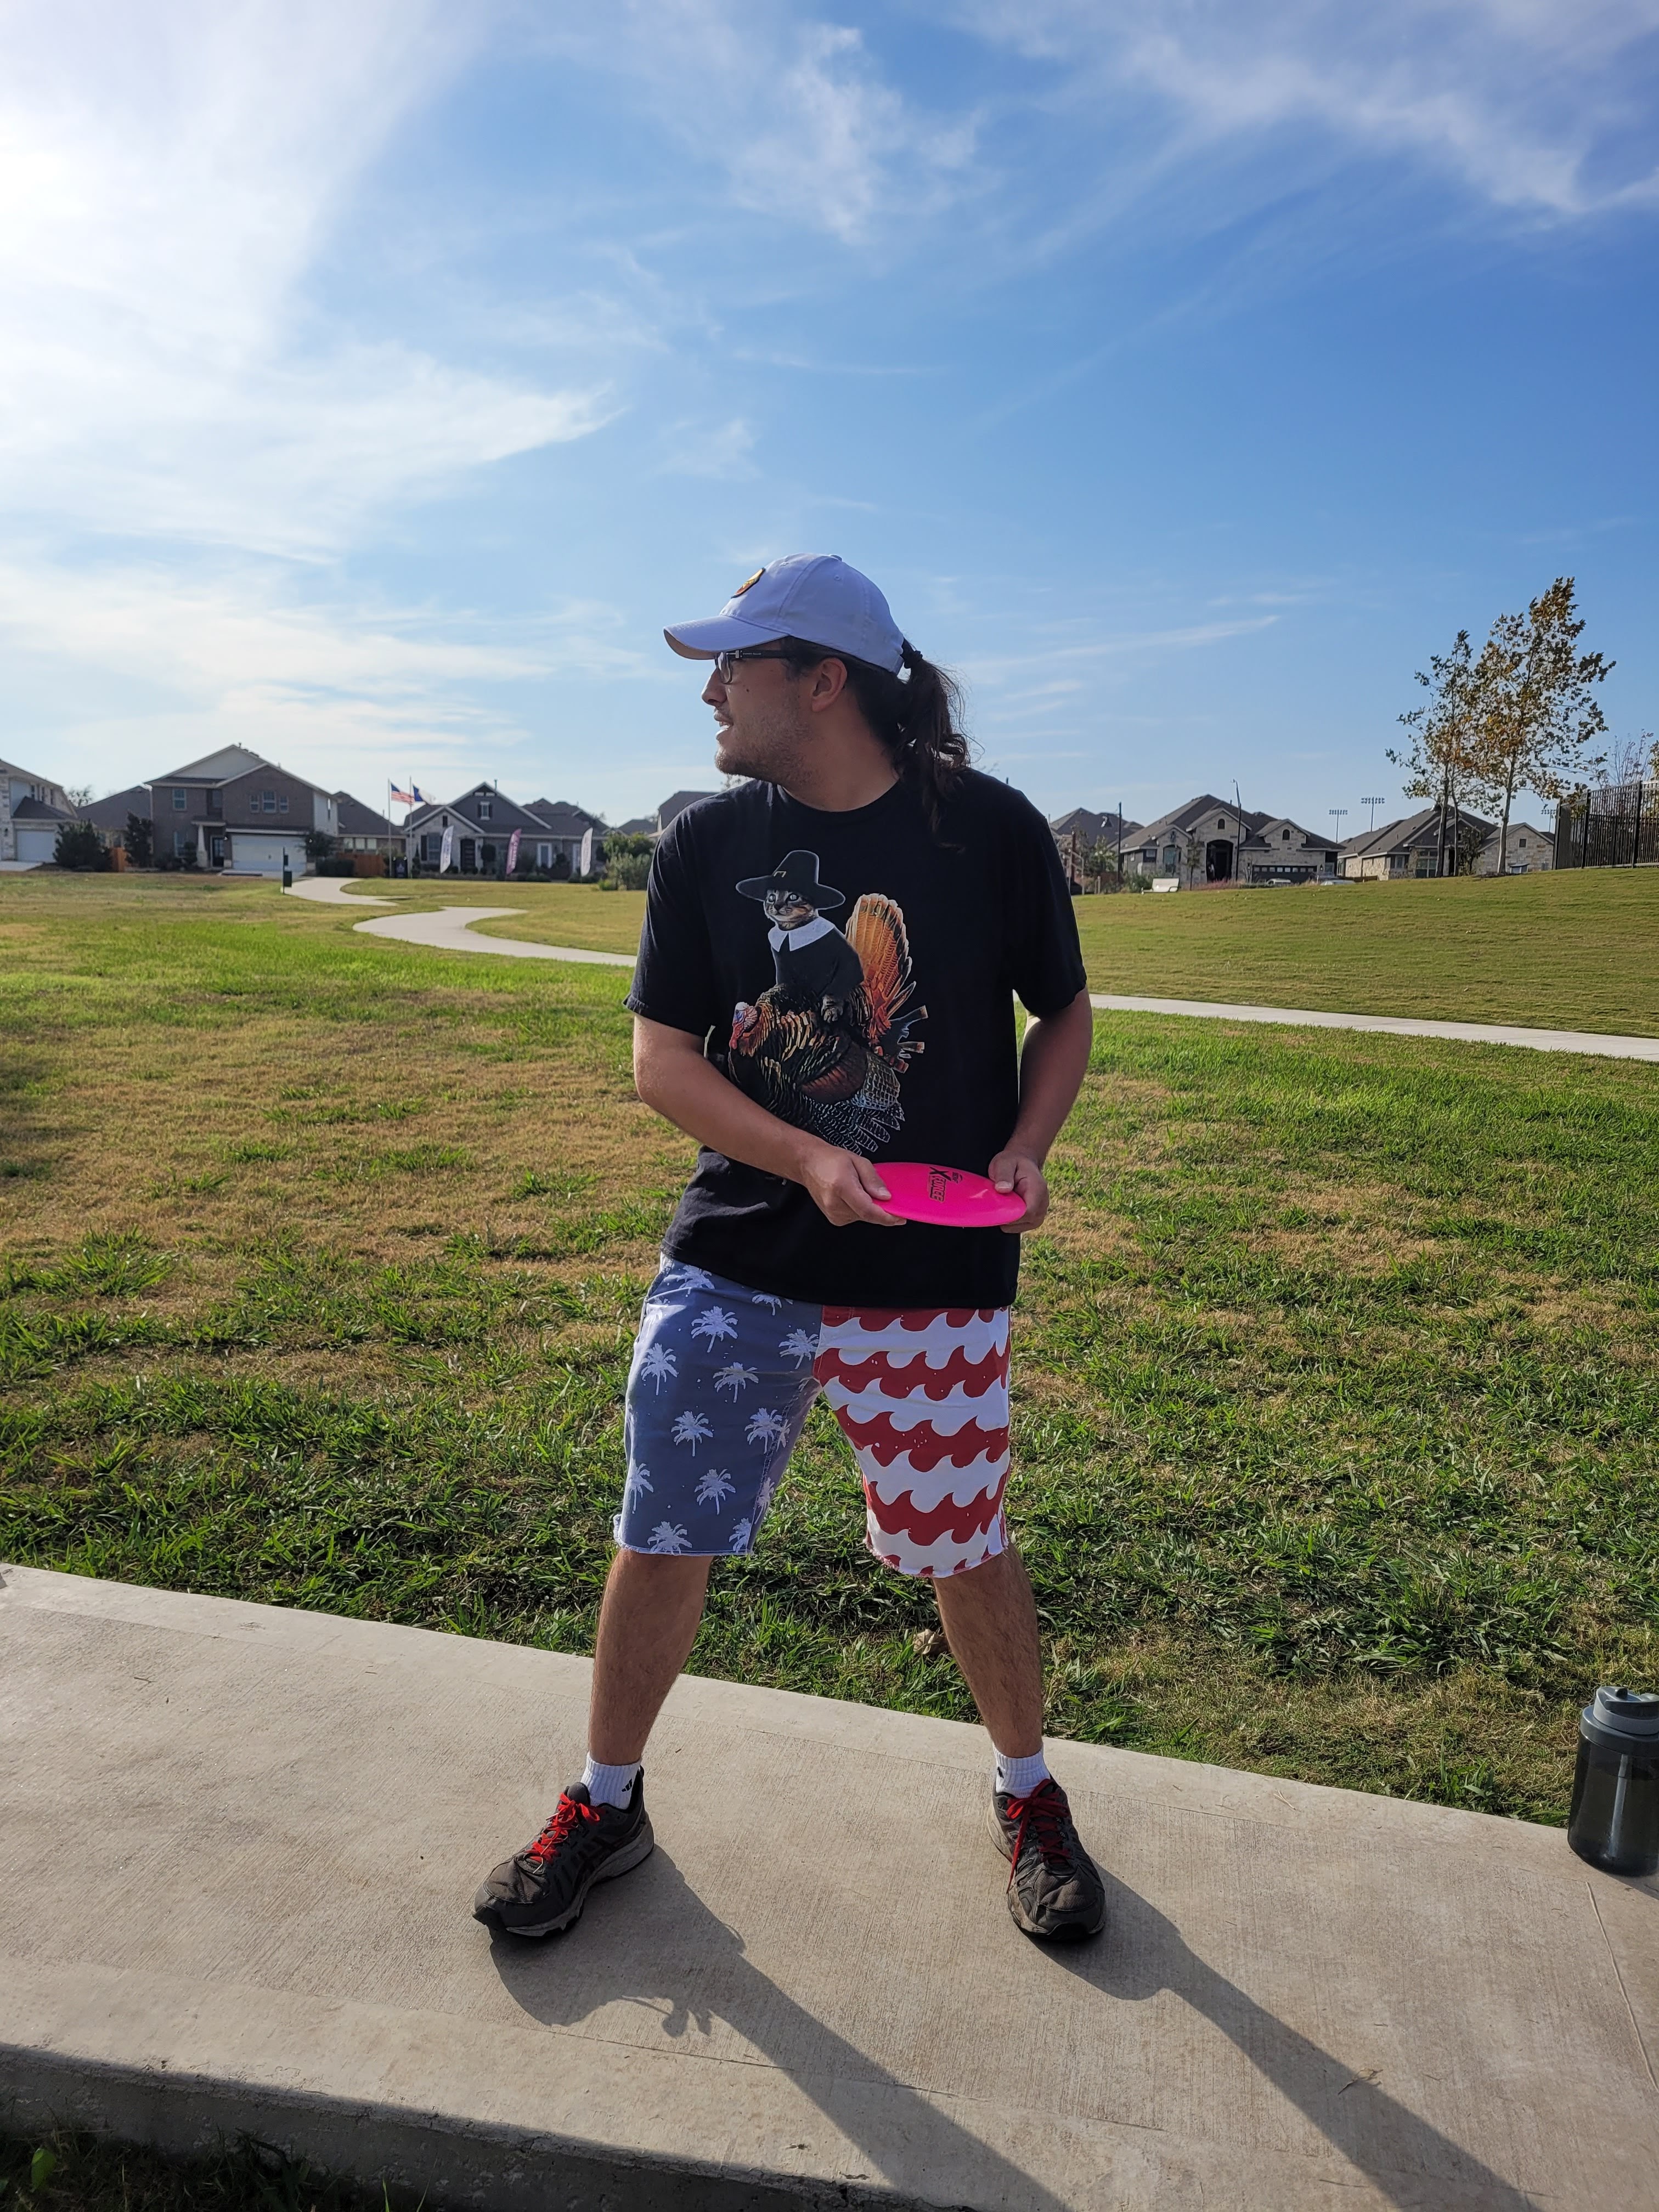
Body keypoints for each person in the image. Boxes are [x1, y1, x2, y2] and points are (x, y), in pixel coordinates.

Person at [473, 555, 1103, 1945]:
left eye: (734, 664)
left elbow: (1062, 1011)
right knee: (663, 1526)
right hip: (741, 1255)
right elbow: (662, 1060)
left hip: (934, 1272)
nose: (710, 690)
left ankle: (1029, 1793)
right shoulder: (704, 843)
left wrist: (1028, 1146)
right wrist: (809, 1159)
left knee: (964, 1543)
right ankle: (606, 1800)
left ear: (824, 682)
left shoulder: (988, 829)